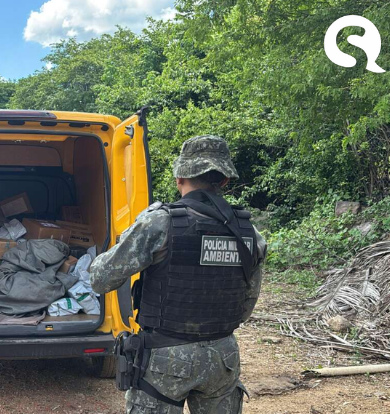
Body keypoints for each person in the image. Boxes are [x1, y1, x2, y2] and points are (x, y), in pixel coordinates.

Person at [90, 135, 267, 414]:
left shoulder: (159, 222)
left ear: (179, 177)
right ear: (224, 181)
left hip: (165, 358)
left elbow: (101, 279)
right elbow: (247, 303)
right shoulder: (250, 233)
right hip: (223, 357)